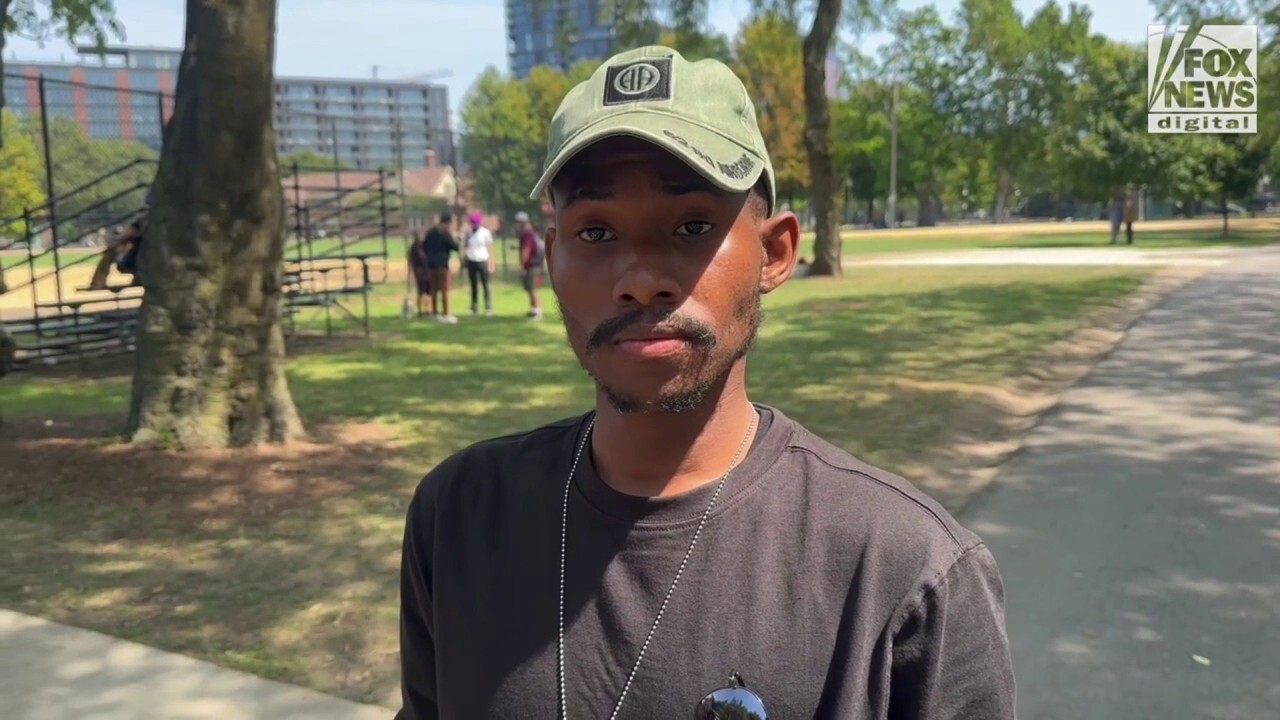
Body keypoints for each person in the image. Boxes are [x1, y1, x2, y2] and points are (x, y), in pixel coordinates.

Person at [396, 46, 1016, 720]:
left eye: (693, 225)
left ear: (775, 253)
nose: (639, 277)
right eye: (595, 230)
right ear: (552, 258)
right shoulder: (457, 516)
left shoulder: (904, 571)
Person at [88, 211, 146, 290]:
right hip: (155, 263)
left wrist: (117, 243)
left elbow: (125, 235)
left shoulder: (143, 220)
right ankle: (139, 278)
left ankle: (97, 282)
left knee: (112, 250)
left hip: (136, 264)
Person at [422, 213, 460, 324]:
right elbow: (455, 247)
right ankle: (446, 314)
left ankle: (434, 312)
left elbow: (424, 247)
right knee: (445, 290)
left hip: (431, 265)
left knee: (433, 290)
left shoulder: (430, 233)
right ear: (447, 223)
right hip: (442, 266)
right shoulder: (445, 234)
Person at [462, 212, 494, 317]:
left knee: (485, 285)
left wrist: (491, 263)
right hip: (472, 260)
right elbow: (466, 247)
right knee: (473, 285)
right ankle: (473, 307)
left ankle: (488, 307)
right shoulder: (469, 233)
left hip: (482, 260)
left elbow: (489, 248)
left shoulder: (485, 233)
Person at [515, 210, 545, 319]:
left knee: (533, 288)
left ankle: (538, 310)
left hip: (531, 266)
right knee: (529, 288)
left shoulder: (527, 234)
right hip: (534, 265)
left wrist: (522, 265)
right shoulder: (530, 233)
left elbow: (526, 250)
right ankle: (533, 309)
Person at [407, 230, 434, 317]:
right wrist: (410, 272)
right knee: (421, 291)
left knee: (429, 292)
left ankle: (428, 309)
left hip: (428, 270)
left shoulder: (425, 245)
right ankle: (420, 310)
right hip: (419, 271)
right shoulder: (414, 248)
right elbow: (411, 260)